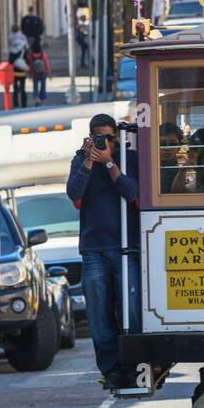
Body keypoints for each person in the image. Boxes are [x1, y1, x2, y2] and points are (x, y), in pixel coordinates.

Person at [66, 113, 140, 389]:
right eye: (98, 137)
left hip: (126, 248)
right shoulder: (80, 160)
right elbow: (74, 193)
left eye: (108, 137)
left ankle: (135, 367)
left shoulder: (129, 159)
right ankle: (111, 370)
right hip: (94, 249)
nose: (103, 142)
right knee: (99, 315)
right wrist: (87, 160)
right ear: (89, 137)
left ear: (117, 137)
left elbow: (131, 193)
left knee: (131, 313)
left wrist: (109, 161)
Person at [158, 121, 185, 194]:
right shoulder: (149, 170)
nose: (167, 148)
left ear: (179, 147)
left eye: (172, 143)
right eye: (162, 143)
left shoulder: (181, 171)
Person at [28, 38, 51, 105]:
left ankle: (36, 98)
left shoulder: (31, 56)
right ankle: (42, 98)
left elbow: (31, 65)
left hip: (35, 74)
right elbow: (46, 64)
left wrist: (30, 74)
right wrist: (48, 73)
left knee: (35, 87)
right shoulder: (42, 54)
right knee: (43, 86)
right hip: (42, 73)